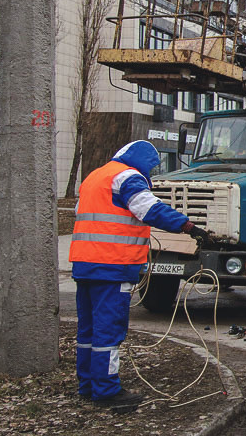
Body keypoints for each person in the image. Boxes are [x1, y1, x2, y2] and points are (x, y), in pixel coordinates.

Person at [68, 141, 209, 412]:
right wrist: (188, 226)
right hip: (113, 266)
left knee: (88, 330)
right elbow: (149, 210)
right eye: (153, 167)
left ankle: (87, 385)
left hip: (85, 264)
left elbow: (83, 214)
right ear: (144, 162)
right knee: (108, 330)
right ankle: (107, 390)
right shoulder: (128, 177)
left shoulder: (95, 177)